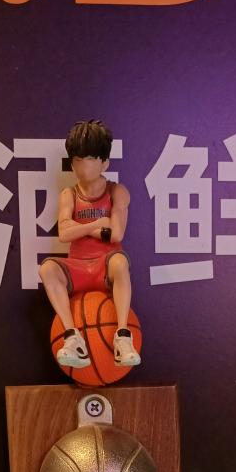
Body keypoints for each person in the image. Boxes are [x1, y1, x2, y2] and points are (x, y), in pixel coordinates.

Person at [39, 120, 141, 371]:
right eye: (77, 159)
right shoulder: (69, 194)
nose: (83, 166)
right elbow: (64, 233)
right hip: (78, 267)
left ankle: (123, 336)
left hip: (105, 264)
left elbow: (116, 233)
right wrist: (98, 225)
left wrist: (81, 227)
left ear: (104, 162)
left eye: (90, 159)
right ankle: (72, 336)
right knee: (47, 268)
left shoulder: (117, 191)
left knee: (120, 261)